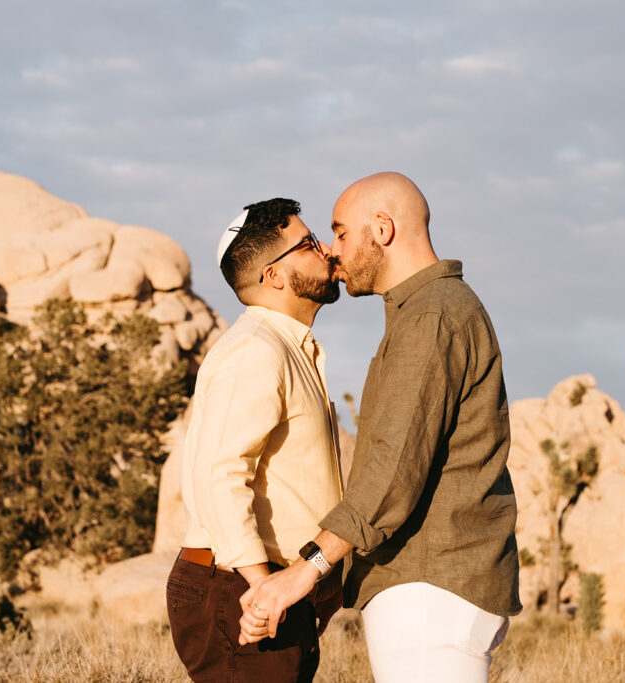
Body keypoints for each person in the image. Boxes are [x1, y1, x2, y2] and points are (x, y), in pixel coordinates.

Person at [238, 173, 522, 683]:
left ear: (384, 229)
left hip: (430, 588)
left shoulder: (431, 316)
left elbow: (392, 470)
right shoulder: (426, 312)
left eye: (341, 232)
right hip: (431, 588)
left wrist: (303, 574)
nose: (332, 249)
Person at [167, 198, 345, 683]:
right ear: (274, 276)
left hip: (267, 586)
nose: (328, 250)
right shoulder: (256, 351)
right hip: (237, 588)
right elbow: (220, 474)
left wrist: (317, 585)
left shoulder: (289, 349)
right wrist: (261, 584)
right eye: (308, 244)